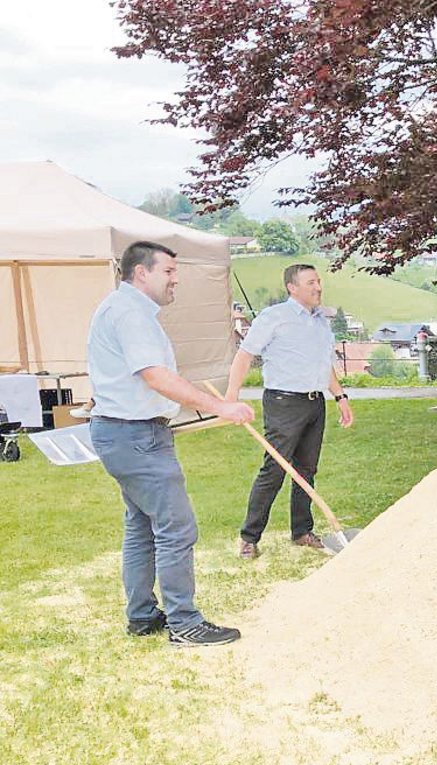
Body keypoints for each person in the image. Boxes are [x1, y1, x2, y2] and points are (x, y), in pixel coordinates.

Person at [86, 241, 255, 646]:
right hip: (135, 435)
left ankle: (143, 616)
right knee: (176, 528)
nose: (175, 279)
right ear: (141, 272)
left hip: (127, 432)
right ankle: (184, 623)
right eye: (168, 271)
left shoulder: (123, 308)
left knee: (142, 526)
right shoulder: (131, 314)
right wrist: (220, 406)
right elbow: (156, 376)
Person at [225, 264, 354, 559]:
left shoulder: (321, 322)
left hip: (314, 402)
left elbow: (325, 365)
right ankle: (249, 537)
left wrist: (340, 397)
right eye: (311, 283)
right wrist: (231, 397)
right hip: (283, 403)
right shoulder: (275, 317)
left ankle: (302, 531)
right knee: (275, 469)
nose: (318, 287)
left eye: (319, 281)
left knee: (306, 470)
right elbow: (244, 355)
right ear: (292, 288)